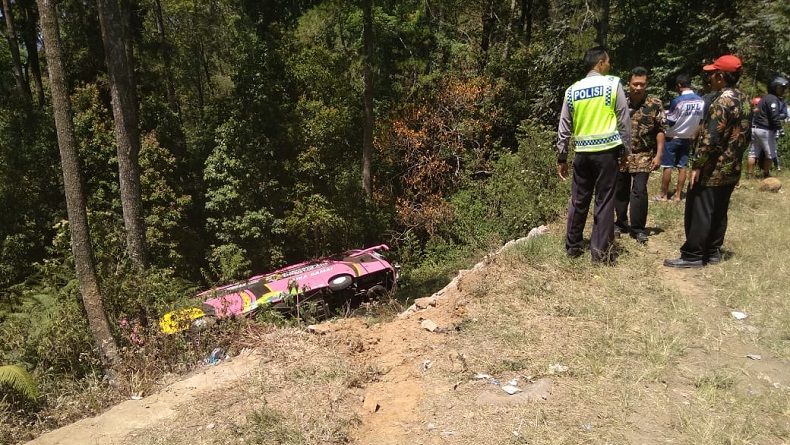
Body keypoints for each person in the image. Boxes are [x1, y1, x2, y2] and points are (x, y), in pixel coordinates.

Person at [664, 55, 750, 268]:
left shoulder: (721, 101)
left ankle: (693, 255)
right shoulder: (744, 98)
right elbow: (746, 135)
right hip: (732, 166)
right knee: (719, 210)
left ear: (721, 76)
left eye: (711, 74)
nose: (709, 78)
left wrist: (698, 165)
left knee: (700, 209)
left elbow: (710, 137)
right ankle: (712, 251)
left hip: (713, 167)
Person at [557, 46, 632, 263]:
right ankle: (599, 253)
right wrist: (626, 149)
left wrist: (562, 156)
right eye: (608, 62)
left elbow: (564, 125)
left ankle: (572, 246)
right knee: (604, 200)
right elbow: (623, 119)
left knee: (579, 200)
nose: (609, 65)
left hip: (582, 153)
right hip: (606, 152)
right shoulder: (612, 84)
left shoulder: (572, 90)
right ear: (600, 63)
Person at [614, 67, 665, 244]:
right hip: (622, 154)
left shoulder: (654, 103)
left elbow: (660, 130)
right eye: (635, 83)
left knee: (639, 191)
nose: (638, 87)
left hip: (644, 154)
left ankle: (638, 228)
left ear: (646, 84)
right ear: (629, 83)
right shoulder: (619, 101)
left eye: (642, 84)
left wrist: (659, 155)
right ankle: (620, 223)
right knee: (620, 190)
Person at [658, 73, 705, 202]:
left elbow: (671, 120)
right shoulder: (700, 101)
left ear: (679, 85)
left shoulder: (677, 101)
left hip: (673, 137)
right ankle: (678, 195)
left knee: (667, 166)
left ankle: (663, 195)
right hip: (688, 137)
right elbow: (701, 120)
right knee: (682, 166)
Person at [747, 76, 787, 177]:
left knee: (753, 153)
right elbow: (774, 116)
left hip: (755, 128)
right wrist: (780, 128)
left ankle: (749, 175)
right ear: (774, 87)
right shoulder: (773, 99)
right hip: (765, 130)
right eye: (780, 88)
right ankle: (766, 174)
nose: (783, 90)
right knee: (770, 154)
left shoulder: (765, 97)